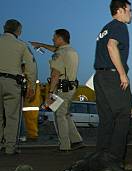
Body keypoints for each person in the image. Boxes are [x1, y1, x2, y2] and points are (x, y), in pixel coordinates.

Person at [93, 0, 132, 163]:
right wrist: (122, 74)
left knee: (107, 120)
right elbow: (111, 46)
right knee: (123, 117)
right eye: (129, 10)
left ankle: (101, 160)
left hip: (100, 77)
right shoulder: (119, 26)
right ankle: (116, 162)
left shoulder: (105, 28)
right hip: (112, 77)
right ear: (121, 10)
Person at [31, 29, 83, 151]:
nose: (52, 39)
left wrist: (49, 94)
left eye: (54, 38)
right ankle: (76, 140)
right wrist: (41, 45)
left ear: (60, 38)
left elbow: (55, 74)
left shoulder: (59, 54)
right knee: (64, 114)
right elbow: (56, 50)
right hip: (71, 87)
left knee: (59, 115)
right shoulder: (71, 51)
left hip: (62, 89)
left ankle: (64, 146)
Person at [0, 19, 37, 155]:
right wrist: (31, 86)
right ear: (18, 31)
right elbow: (31, 67)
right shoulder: (21, 46)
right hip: (12, 82)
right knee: (12, 117)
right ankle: (10, 147)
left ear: (4, 28)